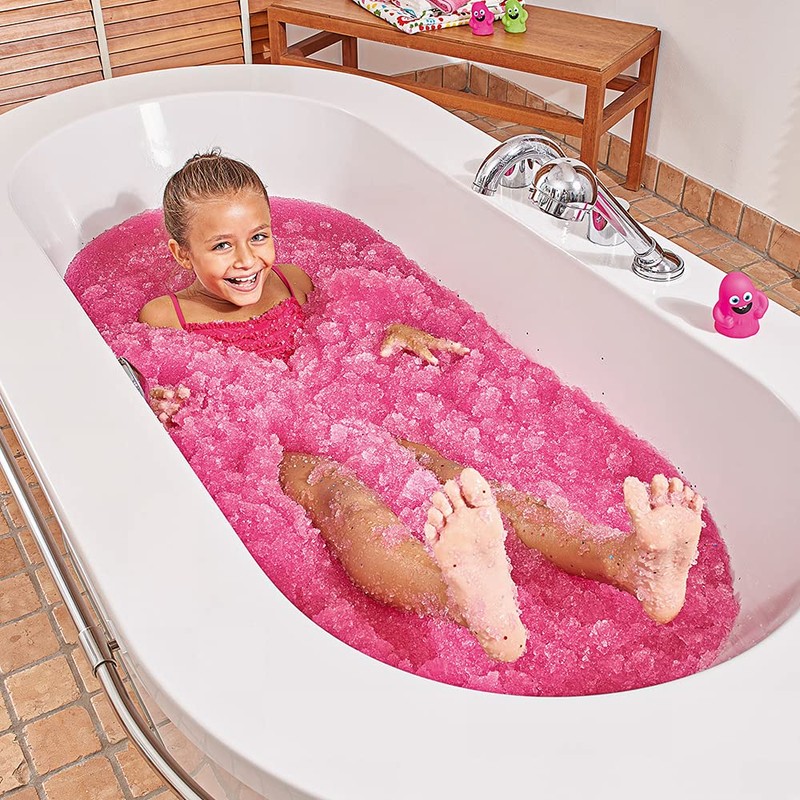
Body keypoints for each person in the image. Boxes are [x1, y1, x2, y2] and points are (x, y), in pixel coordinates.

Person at [139, 151, 704, 663]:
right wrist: (157, 402)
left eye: (259, 236)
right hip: (275, 444)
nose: (246, 260)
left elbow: (340, 326)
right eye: (221, 246)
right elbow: (156, 379)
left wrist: (393, 327)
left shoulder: (292, 281)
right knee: (339, 494)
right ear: (180, 253)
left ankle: (625, 560)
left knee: (458, 481)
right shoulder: (166, 317)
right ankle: (462, 597)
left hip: (340, 411)